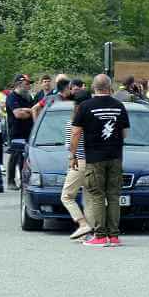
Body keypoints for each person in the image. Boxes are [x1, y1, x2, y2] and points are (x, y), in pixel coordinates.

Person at [71, 74, 130, 247]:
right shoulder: (119, 106)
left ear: (93, 88)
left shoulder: (85, 106)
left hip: (94, 158)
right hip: (115, 157)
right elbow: (125, 133)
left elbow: (75, 133)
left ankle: (100, 235)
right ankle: (114, 236)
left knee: (96, 195)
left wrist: (72, 155)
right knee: (113, 196)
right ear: (110, 87)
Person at [61, 90, 92, 240]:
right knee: (89, 197)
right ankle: (91, 232)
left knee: (67, 196)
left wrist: (71, 155)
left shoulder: (73, 122)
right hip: (95, 161)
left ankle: (83, 224)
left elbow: (69, 145)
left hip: (79, 162)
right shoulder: (95, 121)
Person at [6, 75, 35, 190]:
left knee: (25, 158)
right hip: (16, 131)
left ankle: (24, 181)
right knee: (15, 155)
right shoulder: (12, 97)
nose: (29, 86)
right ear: (19, 84)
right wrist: (30, 111)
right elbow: (18, 114)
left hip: (29, 131)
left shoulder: (28, 97)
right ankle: (11, 181)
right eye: (27, 83)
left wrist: (28, 111)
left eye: (29, 84)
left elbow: (35, 111)